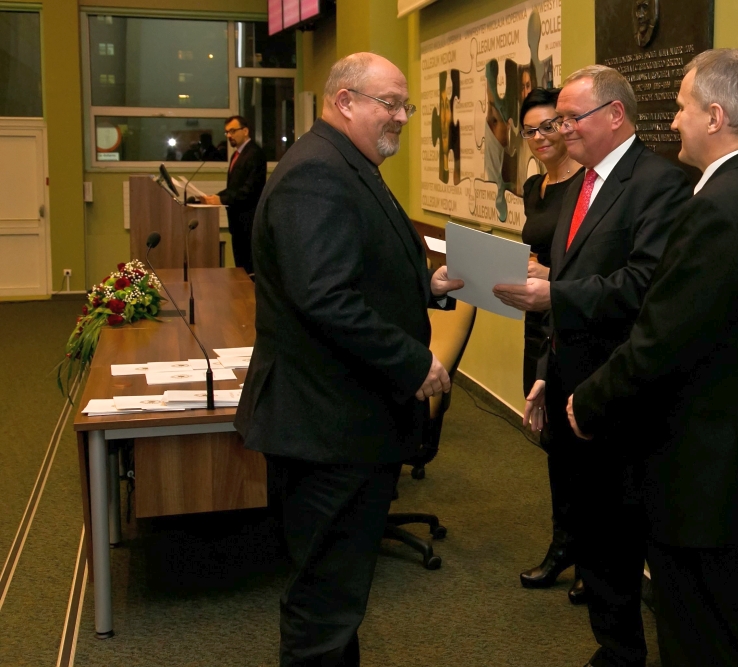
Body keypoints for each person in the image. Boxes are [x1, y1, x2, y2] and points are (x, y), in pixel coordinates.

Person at [567, 49, 738, 666]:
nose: (672, 121)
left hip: (703, 476)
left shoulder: (716, 209)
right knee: (737, 629)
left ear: (715, 117)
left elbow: (660, 341)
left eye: (681, 107)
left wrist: (587, 402)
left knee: (701, 639)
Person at [234, 52, 464, 667]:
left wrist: (426, 285)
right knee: (325, 603)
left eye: (405, 105)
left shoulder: (345, 163)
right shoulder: (318, 173)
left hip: (341, 419)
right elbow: (326, 298)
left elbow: (354, 269)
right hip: (326, 427)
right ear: (344, 102)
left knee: (337, 595)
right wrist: (414, 363)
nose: (402, 117)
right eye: (390, 104)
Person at [493, 65, 689, 667]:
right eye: (556, 121)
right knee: (598, 539)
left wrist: (554, 295)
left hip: (624, 395)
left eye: (570, 118)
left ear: (615, 115)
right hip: (571, 381)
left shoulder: (661, 183)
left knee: (624, 536)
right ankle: (615, 652)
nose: (560, 130)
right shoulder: (581, 183)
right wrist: (546, 371)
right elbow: (571, 280)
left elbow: (644, 286)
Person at [515, 87, 585, 601]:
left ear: (566, 126)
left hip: (573, 320)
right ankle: (564, 544)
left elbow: (596, 261)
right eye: (530, 130)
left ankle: (591, 556)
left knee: (580, 443)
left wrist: (551, 274)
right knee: (551, 441)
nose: (540, 137)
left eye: (549, 126)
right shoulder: (533, 186)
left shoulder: (588, 185)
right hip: (535, 323)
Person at [199, 115, 266, 276]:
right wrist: (214, 197)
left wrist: (221, 199)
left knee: (249, 269)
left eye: (233, 131)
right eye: (227, 132)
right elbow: (233, 188)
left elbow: (249, 190)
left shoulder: (254, 154)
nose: (229, 135)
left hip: (248, 221)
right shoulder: (236, 155)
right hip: (237, 221)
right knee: (240, 267)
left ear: (245, 131)